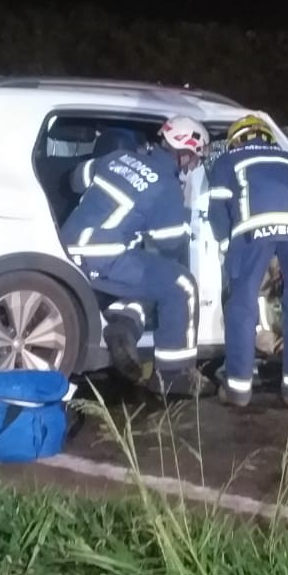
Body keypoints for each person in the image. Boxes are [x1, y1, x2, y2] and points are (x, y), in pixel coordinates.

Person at [59, 117, 210, 397]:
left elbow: (76, 179)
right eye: (195, 160)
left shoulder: (118, 157)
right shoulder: (166, 187)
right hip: (105, 258)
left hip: (67, 247)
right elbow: (169, 242)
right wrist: (183, 214)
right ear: (185, 153)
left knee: (151, 275)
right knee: (180, 284)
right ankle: (174, 376)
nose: (192, 167)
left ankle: (124, 327)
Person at [208, 114, 288, 407]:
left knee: (242, 306)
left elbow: (217, 210)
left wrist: (226, 246)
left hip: (252, 231)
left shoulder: (227, 161)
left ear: (236, 140)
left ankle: (238, 390)